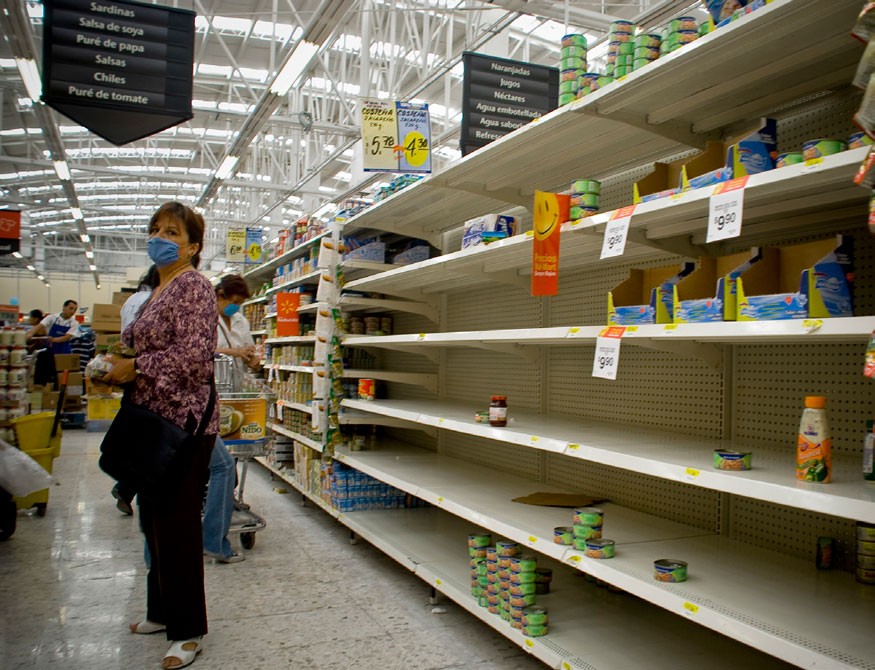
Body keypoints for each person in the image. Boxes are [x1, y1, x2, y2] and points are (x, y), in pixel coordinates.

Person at [101, 202, 217, 670]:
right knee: (153, 522)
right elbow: (141, 342)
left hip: (183, 424)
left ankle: (187, 632)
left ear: (192, 246)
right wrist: (112, 364)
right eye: (154, 229)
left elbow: (194, 358)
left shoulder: (194, 287)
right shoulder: (158, 288)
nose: (160, 236)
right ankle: (159, 612)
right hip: (151, 419)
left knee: (177, 526)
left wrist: (137, 367)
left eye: (172, 231)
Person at [203, 275, 258, 564]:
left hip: (234, 396)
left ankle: (219, 507)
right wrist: (233, 351)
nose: (236, 309)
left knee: (229, 460)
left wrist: (250, 356)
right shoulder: (202, 317)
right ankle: (213, 535)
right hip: (208, 395)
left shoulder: (241, 322)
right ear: (220, 294)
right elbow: (201, 351)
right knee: (220, 465)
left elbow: (249, 352)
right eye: (234, 303)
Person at [110, 265, 160, 517]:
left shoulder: (131, 299)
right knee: (152, 436)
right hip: (148, 372)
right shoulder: (154, 300)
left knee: (137, 430)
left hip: (129, 369)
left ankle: (126, 485)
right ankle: (129, 486)